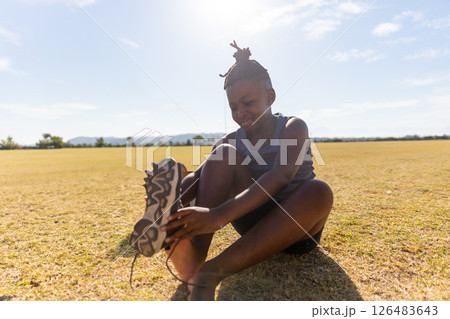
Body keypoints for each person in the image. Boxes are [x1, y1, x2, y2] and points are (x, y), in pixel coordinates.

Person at [160, 41, 333, 301]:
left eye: (248, 102)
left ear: (270, 97)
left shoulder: (293, 128)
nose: (240, 113)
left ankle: (209, 274)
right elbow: (198, 178)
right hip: (252, 224)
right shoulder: (230, 140)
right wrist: (168, 209)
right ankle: (195, 255)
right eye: (233, 107)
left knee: (319, 192)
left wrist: (217, 215)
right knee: (222, 156)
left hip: (297, 227)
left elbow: (281, 175)